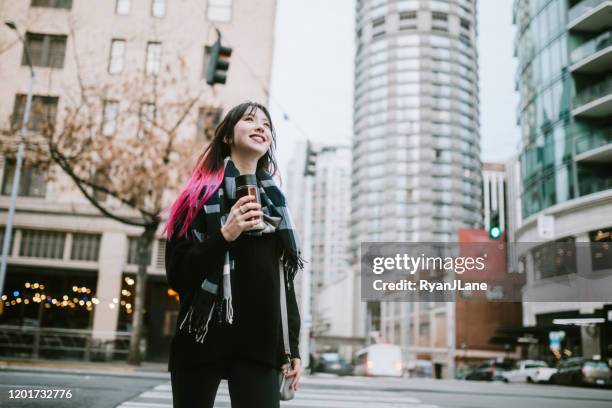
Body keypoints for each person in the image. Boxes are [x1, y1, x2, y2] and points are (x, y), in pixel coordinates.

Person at [164, 102, 303, 408]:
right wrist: (225, 234)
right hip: (201, 337)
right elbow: (178, 275)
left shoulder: (276, 207)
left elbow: (284, 284)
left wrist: (292, 348)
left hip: (259, 342)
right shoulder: (196, 198)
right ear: (227, 135)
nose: (261, 127)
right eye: (250, 120)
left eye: (266, 125)